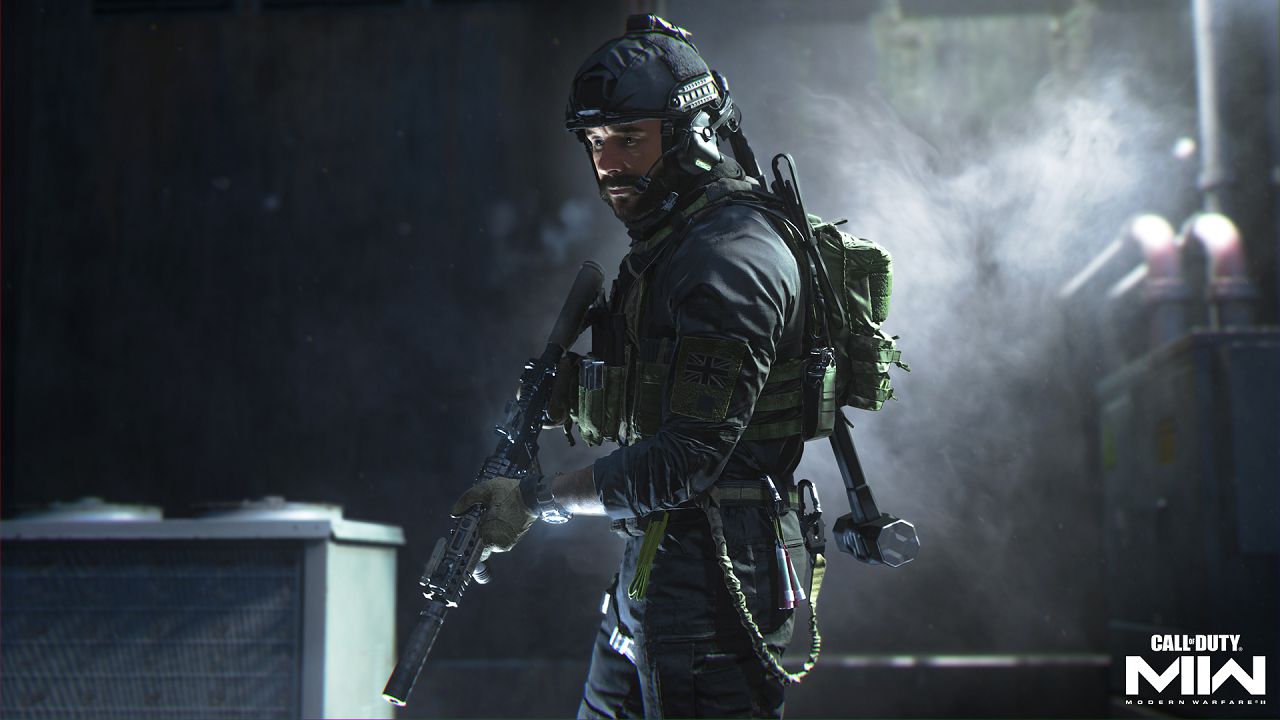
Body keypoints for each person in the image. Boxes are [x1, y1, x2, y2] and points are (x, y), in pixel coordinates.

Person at [451, 14, 817, 718]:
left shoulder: (729, 258)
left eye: (628, 138)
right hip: (655, 569)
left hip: (714, 587)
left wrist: (535, 500)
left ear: (692, 135)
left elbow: (687, 459)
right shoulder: (677, 245)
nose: (607, 163)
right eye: (595, 143)